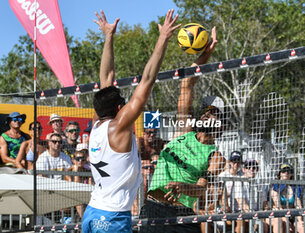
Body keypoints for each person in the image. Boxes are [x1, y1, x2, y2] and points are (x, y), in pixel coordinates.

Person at [81, 9, 181, 233]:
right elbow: (147, 79)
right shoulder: (119, 127)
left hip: (92, 212)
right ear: (119, 108)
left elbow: (106, 79)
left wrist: (108, 36)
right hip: (111, 217)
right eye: (123, 103)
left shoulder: (97, 124)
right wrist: (163, 37)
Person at [141, 26, 223, 233]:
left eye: (213, 112)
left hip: (182, 215)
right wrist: (206, 54)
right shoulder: (183, 131)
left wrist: (183, 187)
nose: (206, 114)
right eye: (205, 110)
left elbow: (202, 187)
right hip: (154, 209)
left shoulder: (215, 156)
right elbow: (187, 85)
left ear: (220, 122)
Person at [270, 163, 305, 233]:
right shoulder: (275, 187)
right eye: (283, 171)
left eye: (289, 171)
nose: (286, 173)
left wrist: (300, 220)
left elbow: (298, 205)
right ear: (280, 173)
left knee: (304, 227)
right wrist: (286, 219)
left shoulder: (295, 187)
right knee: (281, 223)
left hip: (292, 215)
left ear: (292, 174)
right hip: (278, 214)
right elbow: (278, 206)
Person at [233, 160, 267, 233]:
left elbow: (264, 204)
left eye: (254, 167)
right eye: (248, 167)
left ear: (257, 170)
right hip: (241, 212)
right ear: (244, 169)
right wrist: (254, 217)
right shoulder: (239, 181)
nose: (251, 169)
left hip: (256, 212)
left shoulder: (260, 183)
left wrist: (263, 215)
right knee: (241, 222)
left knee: (267, 224)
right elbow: (242, 205)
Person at [68, 143, 92, 221]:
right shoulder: (68, 172)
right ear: (73, 160)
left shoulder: (88, 171)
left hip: (86, 196)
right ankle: (84, 220)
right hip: (72, 198)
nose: (80, 161)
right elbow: (76, 186)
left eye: (83, 159)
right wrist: (76, 171)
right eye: (78, 159)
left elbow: (90, 185)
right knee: (79, 200)